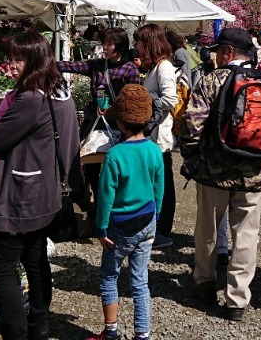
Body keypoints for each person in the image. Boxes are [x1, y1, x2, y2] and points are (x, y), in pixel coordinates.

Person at [0, 30, 86, 340]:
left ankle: (16, 333)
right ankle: (39, 325)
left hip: (22, 194)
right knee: (35, 258)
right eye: (9, 59)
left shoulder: (30, 98)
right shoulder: (59, 89)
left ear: (35, 60)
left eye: (18, 59)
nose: (10, 66)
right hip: (48, 189)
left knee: (0, 267)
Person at [177, 27, 261, 322]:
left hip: (214, 173)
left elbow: (192, 125)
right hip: (253, 172)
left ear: (228, 52)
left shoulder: (211, 80)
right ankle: (237, 299)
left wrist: (192, 158)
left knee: (207, 228)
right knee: (246, 234)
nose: (216, 55)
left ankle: (204, 282)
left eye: (219, 50)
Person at [87, 84, 165, 340]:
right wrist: (156, 218)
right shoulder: (155, 150)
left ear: (120, 122)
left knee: (110, 276)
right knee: (140, 281)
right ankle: (142, 335)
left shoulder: (115, 155)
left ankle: (111, 332)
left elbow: (105, 198)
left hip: (119, 227)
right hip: (147, 221)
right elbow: (158, 189)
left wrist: (100, 228)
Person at [58, 27, 141, 198]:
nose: (104, 47)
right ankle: (95, 204)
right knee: (90, 162)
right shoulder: (97, 65)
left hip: (118, 123)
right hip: (96, 122)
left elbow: (133, 99)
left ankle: (117, 201)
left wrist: (112, 109)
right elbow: (73, 66)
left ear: (119, 46)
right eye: (104, 43)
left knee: (118, 163)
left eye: (109, 44)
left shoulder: (129, 69)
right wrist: (47, 64)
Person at [133, 23, 178, 249]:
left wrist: (148, 103)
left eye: (139, 42)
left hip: (160, 138)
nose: (137, 46)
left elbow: (171, 100)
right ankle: (157, 229)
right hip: (154, 137)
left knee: (163, 186)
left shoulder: (164, 67)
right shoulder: (155, 67)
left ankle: (163, 231)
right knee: (157, 185)